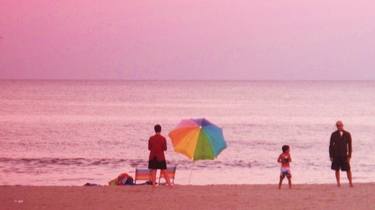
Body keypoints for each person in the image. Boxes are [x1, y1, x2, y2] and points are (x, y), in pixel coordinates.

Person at [329, 120, 353, 187]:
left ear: (343, 125)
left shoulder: (347, 134)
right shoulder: (333, 134)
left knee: (348, 169)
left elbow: (350, 146)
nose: (339, 127)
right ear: (336, 126)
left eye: (340, 125)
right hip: (336, 155)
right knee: (336, 169)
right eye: (338, 126)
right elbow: (331, 146)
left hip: (344, 155)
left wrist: (349, 155)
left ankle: (350, 182)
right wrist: (331, 156)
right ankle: (338, 183)